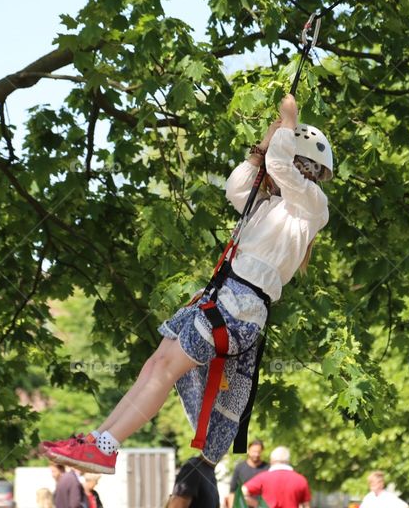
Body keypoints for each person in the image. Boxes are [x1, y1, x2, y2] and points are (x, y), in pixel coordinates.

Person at [43, 94, 333, 473]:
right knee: (155, 365)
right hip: (224, 295)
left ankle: (109, 445)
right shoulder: (268, 205)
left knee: (163, 370)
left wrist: (288, 121)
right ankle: (101, 441)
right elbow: (236, 188)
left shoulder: (311, 205)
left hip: (240, 304)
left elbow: (279, 165)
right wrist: (266, 141)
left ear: (303, 166)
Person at [242, 446, 311, 508]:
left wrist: (258, 505)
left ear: (272, 461)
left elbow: (242, 492)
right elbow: (306, 505)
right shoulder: (300, 480)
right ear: (288, 461)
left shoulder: (263, 477)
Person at [226, 440, 269, 508]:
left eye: (259, 452)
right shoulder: (239, 468)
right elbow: (232, 491)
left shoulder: (268, 468)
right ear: (248, 451)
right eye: (254, 451)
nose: (256, 454)